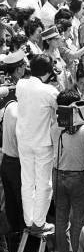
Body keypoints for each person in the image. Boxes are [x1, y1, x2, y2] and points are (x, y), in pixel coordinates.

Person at [51, 89, 84, 252]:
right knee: (80, 221)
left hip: (58, 175)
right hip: (78, 177)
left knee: (61, 218)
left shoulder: (54, 127)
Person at [16, 54, 59, 233]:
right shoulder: (50, 91)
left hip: (24, 141)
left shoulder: (21, 85)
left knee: (27, 181)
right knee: (44, 184)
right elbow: (60, 108)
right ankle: (39, 222)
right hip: (42, 143)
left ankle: (29, 220)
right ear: (48, 73)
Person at [0, 50, 27, 238]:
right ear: (18, 70)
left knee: (11, 206)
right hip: (16, 160)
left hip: (6, 158)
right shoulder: (14, 94)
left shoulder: (6, 95)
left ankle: (13, 241)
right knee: (21, 205)